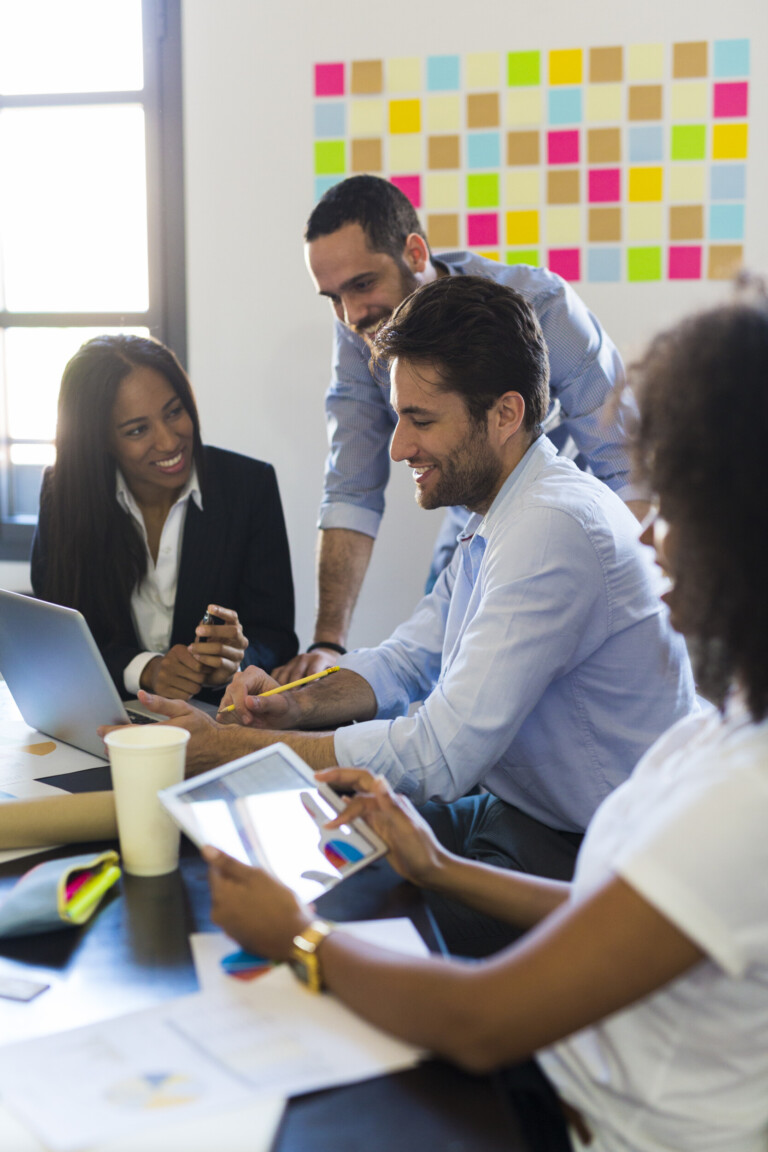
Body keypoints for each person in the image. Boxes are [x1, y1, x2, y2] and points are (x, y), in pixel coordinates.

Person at [203, 285, 768, 1152]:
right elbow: (412, 661)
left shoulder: (557, 531)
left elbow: (478, 1019)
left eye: (675, 516)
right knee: (360, 882)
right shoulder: (716, 727)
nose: (650, 544)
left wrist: (298, 937)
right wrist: (430, 863)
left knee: (333, 952)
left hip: (584, 1114)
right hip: (553, 967)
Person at [130, 277, 694, 954]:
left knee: (338, 913)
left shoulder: (550, 528)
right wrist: (290, 705)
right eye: (399, 417)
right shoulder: (507, 507)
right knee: (293, 850)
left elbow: (438, 754)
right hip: (512, 812)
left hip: (584, 855)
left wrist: (231, 748)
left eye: (421, 420)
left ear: (505, 413)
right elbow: (409, 659)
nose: (398, 448)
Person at [277, 174, 648, 684]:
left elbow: (628, 470)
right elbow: (351, 489)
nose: (352, 314)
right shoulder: (361, 334)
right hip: (471, 528)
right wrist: (327, 644)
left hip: (573, 525)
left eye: (362, 285)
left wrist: (639, 606)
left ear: (414, 253)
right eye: (332, 298)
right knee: (434, 671)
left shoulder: (543, 305)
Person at [31, 334, 297, 703]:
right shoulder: (64, 494)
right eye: (137, 430)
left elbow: (277, 636)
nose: (170, 441)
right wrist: (145, 669)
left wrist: (233, 662)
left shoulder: (249, 486)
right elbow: (55, 638)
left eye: (174, 412)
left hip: (218, 719)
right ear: (101, 440)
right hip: (103, 715)